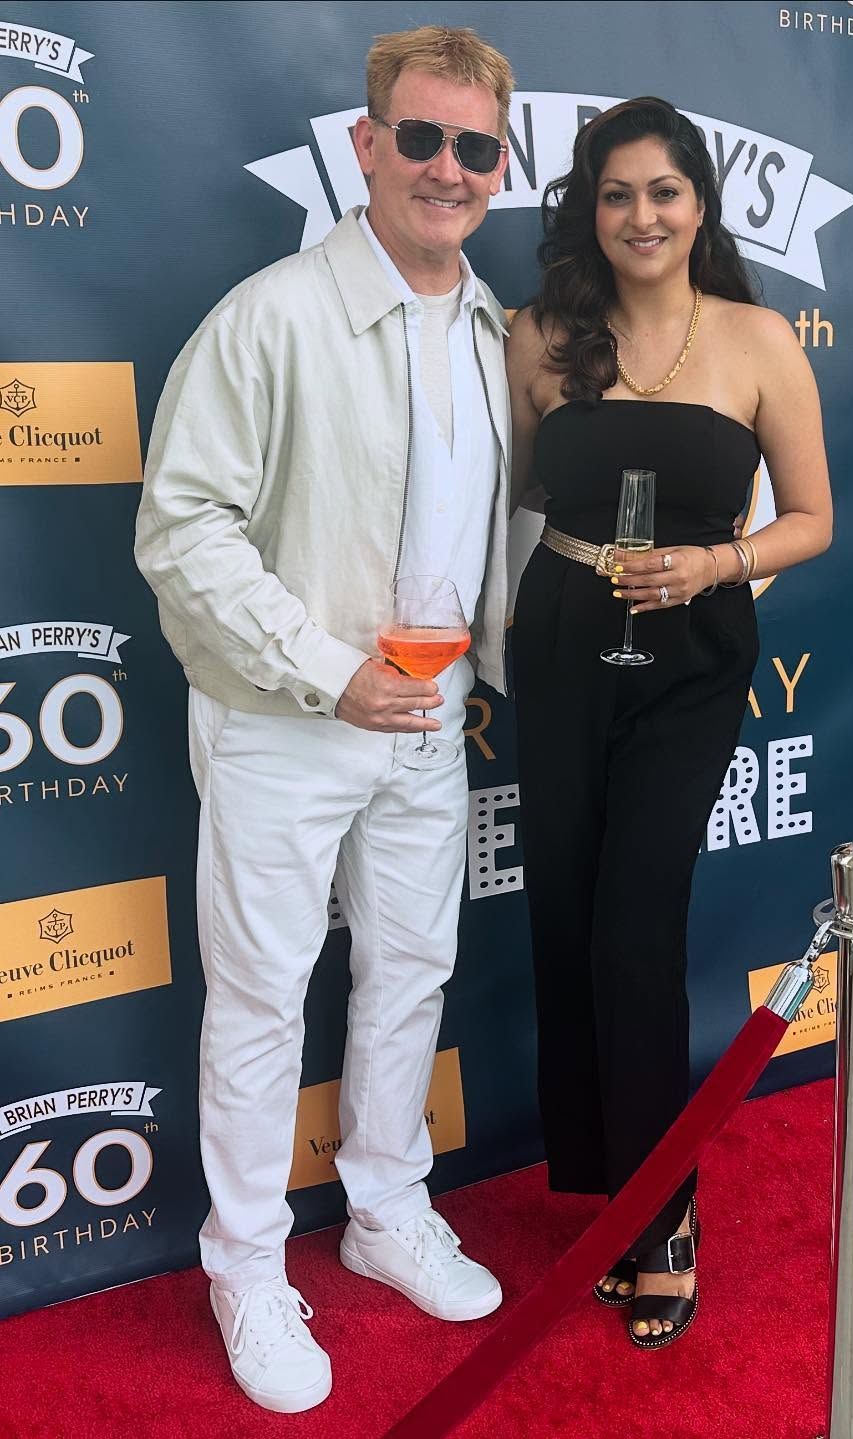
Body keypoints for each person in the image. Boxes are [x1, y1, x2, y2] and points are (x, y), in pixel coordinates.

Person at [134, 25, 516, 1414]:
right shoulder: (272, 316)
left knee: (411, 966)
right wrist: (320, 666)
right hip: (285, 718)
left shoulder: (498, 330)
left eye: (475, 147)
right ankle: (245, 1261)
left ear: (500, 166)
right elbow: (181, 527)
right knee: (260, 993)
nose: (446, 168)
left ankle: (385, 1207)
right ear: (366, 145)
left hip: (433, 713)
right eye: (420, 138)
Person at [504, 96, 833, 1348]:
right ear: (589, 209)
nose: (641, 215)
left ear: (699, 204)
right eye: (616, 193)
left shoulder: (758, 338)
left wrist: (714, 564)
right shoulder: (542, 336)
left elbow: (813, 517)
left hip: (693, 658)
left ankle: (664, 1214)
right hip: (562, 644)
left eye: (664, 191)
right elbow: (513, 494)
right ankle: (605, 1191)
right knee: (566, 916)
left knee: (637, 926)